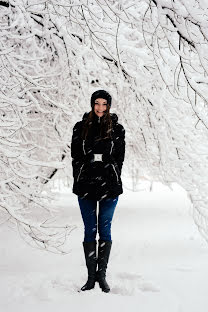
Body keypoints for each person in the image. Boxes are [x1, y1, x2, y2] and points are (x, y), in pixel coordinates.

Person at [71, 90, 125, 293]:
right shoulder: (80, 127)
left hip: (109, 186)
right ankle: (90, 277)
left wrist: (102, 163)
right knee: (89, 230)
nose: (100, 107)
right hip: (85, 185)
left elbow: (119, 158)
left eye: (104, 104)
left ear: (109, 105)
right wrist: (89, 163)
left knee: (105, 228)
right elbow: (76, 156)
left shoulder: (118, 129)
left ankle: (102, 276)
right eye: (97, 103)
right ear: (92, 104)